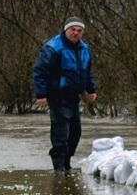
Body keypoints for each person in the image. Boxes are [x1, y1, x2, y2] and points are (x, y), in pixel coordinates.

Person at [33, 17, 97, 171]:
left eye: (79, 31)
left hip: (74, 97)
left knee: (75, 133)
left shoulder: (84, 49)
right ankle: (59, 168)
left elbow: (86, 72)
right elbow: (40, 71)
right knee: (61, 133)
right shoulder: (54, 47)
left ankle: (66, 164)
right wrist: (41, 94)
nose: (75, 33)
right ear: (66, 30)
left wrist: (91, 89)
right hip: (57, 96)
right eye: (72, 30)